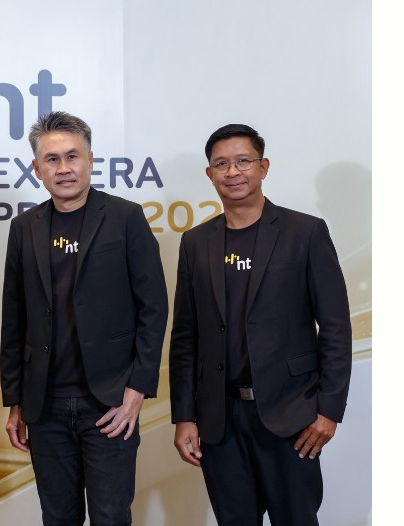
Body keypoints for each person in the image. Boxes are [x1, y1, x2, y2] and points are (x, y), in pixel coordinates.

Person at [169, 124, 352, 525]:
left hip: (291, 416)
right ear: (210, 174)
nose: (232, 171)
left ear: (263, 167)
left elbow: (336, 328)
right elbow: (185, 337)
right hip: (219, 421)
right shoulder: (195, 243)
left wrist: (328, 411)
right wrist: (184, 416)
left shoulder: (305, 233)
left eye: (243, 161)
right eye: (221, 164)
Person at [0, 111, 168, 525]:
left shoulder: (126, 218)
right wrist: (16, 401)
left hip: (109, 404)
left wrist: (136, 391)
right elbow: (14, 318)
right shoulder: (24, 228)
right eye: (52, 159)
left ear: (90, 160)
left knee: (111, 517)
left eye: (72, 156)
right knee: (58, 517)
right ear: (37, 168)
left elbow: (154, 308)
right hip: (45, 406)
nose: (64, 168)